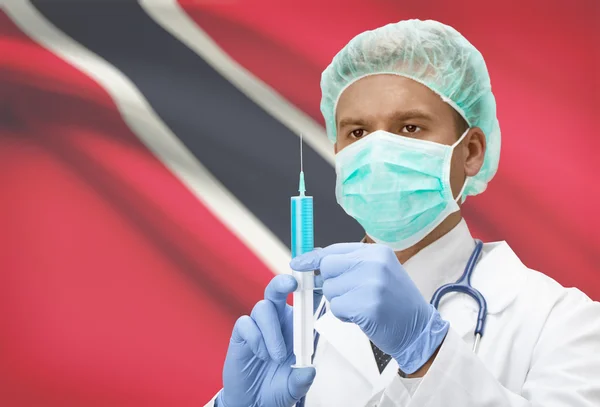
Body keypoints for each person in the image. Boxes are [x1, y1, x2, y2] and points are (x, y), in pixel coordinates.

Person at [205, 19, 600, 407]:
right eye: (357, 132)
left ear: (472, 150)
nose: (378, 151)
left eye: (410, 127)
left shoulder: (563, 323)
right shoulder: (300, 329)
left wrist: (427, 353)